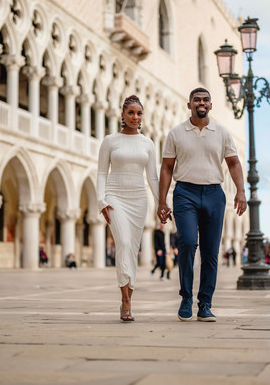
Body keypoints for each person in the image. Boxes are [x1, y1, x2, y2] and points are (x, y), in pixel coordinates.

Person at [157, 87, 247, 322]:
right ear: (189, 105)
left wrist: (241, 191)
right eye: (197, 99)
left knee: (210, 252)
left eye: (206, 100)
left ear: (210, 105)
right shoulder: (176, 133)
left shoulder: (222, 132)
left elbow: (234, 163)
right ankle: (186, 297)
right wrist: (161, 200)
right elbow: (166, 168)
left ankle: (205, 303)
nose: (201, 102)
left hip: (214, 193)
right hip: (185, 192)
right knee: (187, 242)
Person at [97, 95, 159, 322]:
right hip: (115, 196)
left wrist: (161, 203)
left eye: (139, 113)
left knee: (132, 249)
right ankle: (125, 300)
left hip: (138, 199)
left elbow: (152, 177)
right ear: (122, 114)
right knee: (122, 243)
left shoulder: (148, 143)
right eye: (131, 112)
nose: (135, 117)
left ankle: (129, 296)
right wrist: (101, 200)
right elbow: (102, 172)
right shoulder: (110, 140)